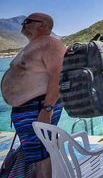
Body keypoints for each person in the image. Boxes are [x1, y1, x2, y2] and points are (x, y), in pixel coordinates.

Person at [1, 13, 65, 178]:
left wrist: (47, 108)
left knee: (42, 156)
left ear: (42, 25)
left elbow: (59, 75)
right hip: (29, 109)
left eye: (27, 22)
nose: (22, 24)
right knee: (35, 156)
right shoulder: (33, 45)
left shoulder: (50, 43)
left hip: (38, 108)